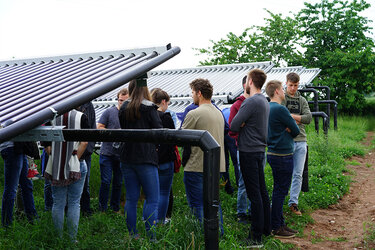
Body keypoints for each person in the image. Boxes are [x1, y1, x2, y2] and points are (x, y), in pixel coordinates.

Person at [230, 69, 270, 248]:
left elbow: (233, 125)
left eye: (246, 80)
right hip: (260, 150)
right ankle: (265, 229)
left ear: (251, 81)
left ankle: (255, 238)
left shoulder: (250, 102)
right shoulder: (264, 100)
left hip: (248, 151)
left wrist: (243, 124)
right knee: (261, 191)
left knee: (254, 195)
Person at [118, 79, 162, 240]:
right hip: (146, 158)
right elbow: (158, 132)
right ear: (145, 89)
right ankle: (152, 237)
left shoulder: (123, 107)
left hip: (127, 157)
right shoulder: (149, 108)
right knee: (152, 199)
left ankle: (133, 235)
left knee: (131, 198)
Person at [181, 78, 226, 235]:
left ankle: (202, 236)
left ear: (199, 93)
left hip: (196, 166)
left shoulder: (194, 113)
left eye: (193, 92)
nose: (192, 96)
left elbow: (181, 139)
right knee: (214, 203)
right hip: (216, 165)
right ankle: (218, 234)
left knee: (198, 204)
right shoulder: (219, 113)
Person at [44, 109, 89, 240]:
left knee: (58, 202)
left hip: (56, 165)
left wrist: (58, 159)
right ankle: (72, 239)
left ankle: (58, 238)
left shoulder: (50, 117)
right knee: (75, 202)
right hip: (78, 163)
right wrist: (73, 159)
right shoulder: (81, 117)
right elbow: (85, 142)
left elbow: (47, 145)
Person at [265, 80, 300, 238]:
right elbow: (296, 130)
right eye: (283, 90)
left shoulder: (266, 107)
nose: (285, 92)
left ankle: (279, 221)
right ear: (277, 91)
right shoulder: (280, 109)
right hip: (283, 154)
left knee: (278, 189)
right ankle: (277, 227)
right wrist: (288, 129)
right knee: (280, 191)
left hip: (271, 152)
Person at [282, 73, 312, 216]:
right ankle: (278, 201)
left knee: (298, 174)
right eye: (290, 85)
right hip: (286, 140)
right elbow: (280, 115)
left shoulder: (302, 100)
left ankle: (293, 202)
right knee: (284, 172)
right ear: (286, 83)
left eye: (295, 85)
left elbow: (308, 118)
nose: (293, 88)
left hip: (301, 140)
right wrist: (297, 119)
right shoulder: (281, 98)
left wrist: (290, 117)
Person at [97, 88, 129, 213]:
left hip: (122, 154)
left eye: (125, 101)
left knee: (118, 182)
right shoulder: (109, 112)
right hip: (107, 153)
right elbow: (99, 127)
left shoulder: (130, 115)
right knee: (105, 181)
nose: (122, 103)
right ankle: (102, 209)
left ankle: (114, 208)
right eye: (120, 100)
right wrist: (113, 134)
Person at [150, 88, 176, 224]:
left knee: (152, 193)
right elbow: (173, 138)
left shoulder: (149, 116)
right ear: (164, 102)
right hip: (166, 160)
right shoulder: (166, 117)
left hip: (151, 160)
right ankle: (161, 220)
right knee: (164, 192)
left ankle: (149, 219)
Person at [228, 75, 251, 224]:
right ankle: (241, 212)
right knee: (243, 180)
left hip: (256, 149)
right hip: (242, 148)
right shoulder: (237, 105)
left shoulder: (259, 102)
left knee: (255, 180)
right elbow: (232, 128)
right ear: (245, 85)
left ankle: (253, 209)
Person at [0, 141, 38, 227]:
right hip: (12, 147)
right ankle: (6, 224)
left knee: (27, 186)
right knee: (11, 188)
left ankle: (33, 220)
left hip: (20, 147)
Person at [76, 102, 96, 217]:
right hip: (71, 150)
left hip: (86, 152)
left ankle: (85, 210)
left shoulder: (89, 105)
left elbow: (92, 127)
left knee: (85, 183)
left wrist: (89, 148)